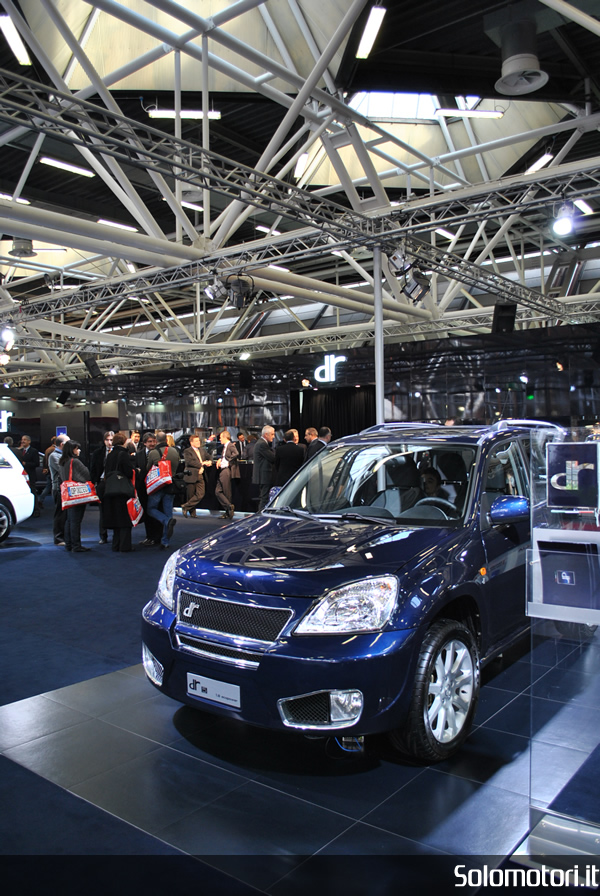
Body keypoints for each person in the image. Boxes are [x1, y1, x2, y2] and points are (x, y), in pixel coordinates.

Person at [102, 431, 137, 552]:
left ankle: (116, 545)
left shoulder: (110, 454)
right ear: (124, 442)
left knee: (116, 519)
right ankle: (125, 546)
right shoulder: (123, 454)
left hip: (111, 489)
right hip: (122, 490)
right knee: (125, 519)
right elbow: (128, 472)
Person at [146, 430, 180, 549]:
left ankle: (165, 521)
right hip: (170, 485)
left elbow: (148, 469)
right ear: (166, 439)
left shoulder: (153, 453)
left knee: (151, 509)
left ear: (156, 440)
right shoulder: (175, 451)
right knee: (168, 511)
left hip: (158, 485)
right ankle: (165, 541)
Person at [58, 439, 92, 552]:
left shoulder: (62, 462)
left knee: (69, 520)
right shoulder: (75, 462)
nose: (79, 451)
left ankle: (69, 544)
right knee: (75, 521)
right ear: (72, 450)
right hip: (77, 494)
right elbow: (86, 475)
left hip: (67, 494)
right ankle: (76, 545)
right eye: (77, 448)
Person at [136, 432, 162, 546]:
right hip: (143, 488)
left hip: (157, 487)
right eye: (150, 442)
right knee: (147, 513)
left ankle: (158, 537)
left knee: (157, 511)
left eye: (153, 441)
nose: (152, 444)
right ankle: (149, 536)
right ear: (144, 443)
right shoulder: (138, 454)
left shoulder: (159, 453)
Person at [90, 431, 113, 544]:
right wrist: (94, 483)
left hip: (114, 483)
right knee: (102, 510)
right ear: (104, 441)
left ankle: (116, 536)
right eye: (107, 440)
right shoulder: (98, 452)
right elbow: (93, 468)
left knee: (115, 509)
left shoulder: (119, 452)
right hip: (101, 482)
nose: (109, 442)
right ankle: (103, 536)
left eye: (111, 440)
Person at [181, 434, 212, 517]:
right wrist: (202, 463)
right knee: (190, 494)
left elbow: (209, 457)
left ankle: (185, 506)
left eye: (199, 441)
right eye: (196, 441)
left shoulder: (202, 450)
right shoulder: (187, 451)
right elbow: (189, 462)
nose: (198, 442)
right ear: (191, 443)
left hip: (200, 475)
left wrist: (210, 461)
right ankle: (192, 513)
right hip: (191, 475)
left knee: (201, 493)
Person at [48, 433, 69, 545]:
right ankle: (58, 538)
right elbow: (64, 470)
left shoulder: (63, 456)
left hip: (66, 488)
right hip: (58, 489)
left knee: (66, 515)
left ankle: (66, 536)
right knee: (60, 514)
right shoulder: (54, 456)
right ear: (62, 444)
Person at [215, 430, 239, 519]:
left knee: (226, 492)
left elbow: (236, 453)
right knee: (218, 491)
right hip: (223, 470)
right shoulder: (225, 447)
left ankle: (228, 512)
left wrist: (228, 460)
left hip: (226, 470)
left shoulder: (230, 445)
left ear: (225, 437)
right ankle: (229, 506)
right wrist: (220, 459)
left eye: (221, 437)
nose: (220, 439)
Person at [252, 424, 276, 511]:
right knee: (264, 498)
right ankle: (261, 514)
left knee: (264, 497)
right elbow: (272, 457)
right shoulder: (262, 444)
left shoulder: (262, 443)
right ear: (266, 434)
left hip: (263, 476)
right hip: (264, 476)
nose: (273, 437)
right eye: (272, 434)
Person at [16, 435, 41, 513]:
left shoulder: (34, 451)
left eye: (25, 440)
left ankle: (36, 510)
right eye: (22, 439)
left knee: (32, 492)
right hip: (21, 476)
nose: (23, 441)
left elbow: (36, 463)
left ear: (29, 441)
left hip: (30, 475)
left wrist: (26, 463)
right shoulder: (19, 451)